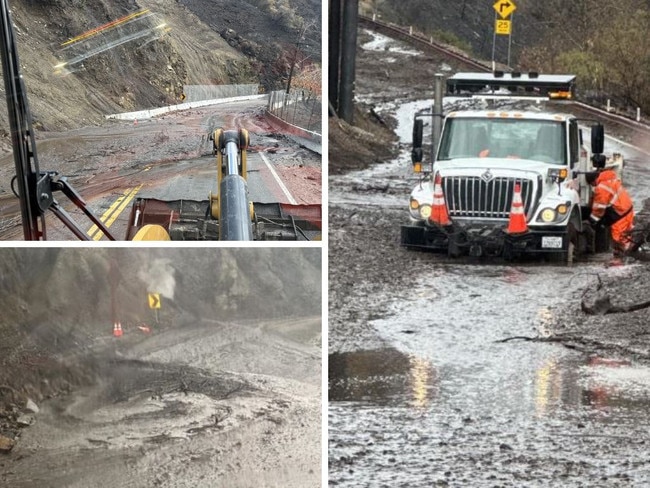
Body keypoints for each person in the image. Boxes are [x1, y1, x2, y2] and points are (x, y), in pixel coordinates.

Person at [585, 169, 634, 254]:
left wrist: (591, 220)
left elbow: (599, 208)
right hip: (626, 209)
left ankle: (625, 257)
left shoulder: (601, 188)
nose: (593, 186)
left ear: (593, 181)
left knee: (618, 238)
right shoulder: (609, 180)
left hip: (620, 212)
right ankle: (629, 251)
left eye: (592, 185)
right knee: (626, 235)